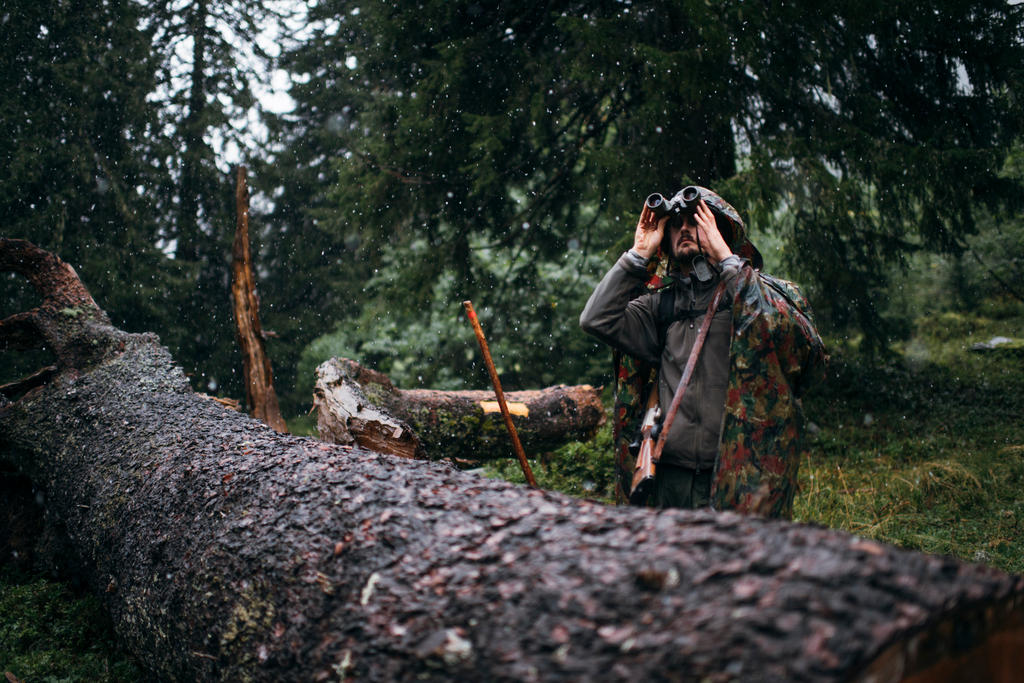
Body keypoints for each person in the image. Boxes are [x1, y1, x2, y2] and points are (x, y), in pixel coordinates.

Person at [580, 186, 825, 518]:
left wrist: (728, 261)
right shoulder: (662, 305)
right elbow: (596, 319)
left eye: (695, 220)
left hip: (742, 481)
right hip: (670, 478)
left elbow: (797, 350)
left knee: (737, 568)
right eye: (675, 224)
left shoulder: (760, 296)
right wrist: (639, 253)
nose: (684, 229)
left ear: (720, 230)